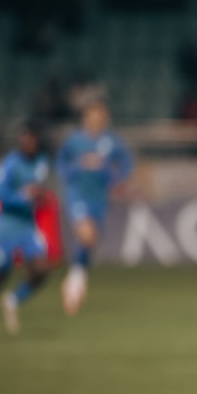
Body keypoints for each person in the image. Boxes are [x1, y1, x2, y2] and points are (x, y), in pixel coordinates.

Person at [0, 120, 51, 341]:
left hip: (27, 226)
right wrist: (22, 197)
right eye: (25, 138)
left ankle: (13, 299)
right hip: (7, 225)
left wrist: (40, 197)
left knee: (42, 269)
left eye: (32, 138)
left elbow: (39, 191)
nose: (29, 142)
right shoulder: (10, 163)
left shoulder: (42, 162)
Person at [56, 98, 133, 315]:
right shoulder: (75, 140)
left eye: (102, 114)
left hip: (99, 198)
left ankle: (76, 279)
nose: (98, 118)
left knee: (90, 241)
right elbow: (61, 163)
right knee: (86, 234)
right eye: (94, 114)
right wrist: (75, 168)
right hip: (77, 194)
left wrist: (114, 177)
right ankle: (75, 281)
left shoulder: (112, 141)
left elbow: (127, 164)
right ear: (86, 117)